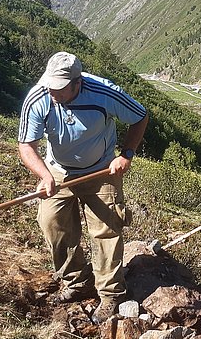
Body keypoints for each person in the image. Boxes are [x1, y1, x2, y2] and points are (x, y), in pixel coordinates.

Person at [18, 51, 148, 324]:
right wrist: (44, 175)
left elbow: (140, 116)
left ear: (77, 83)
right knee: (52, 222)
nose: (54, 92)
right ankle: (77, 280)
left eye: (61, 88)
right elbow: (26, 146)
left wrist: (126, 155)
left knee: (106, 229)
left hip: (101, 169)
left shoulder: (104, 93)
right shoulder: (39, 97)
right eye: (51, 86)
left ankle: (111, 294)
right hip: (58, 170)